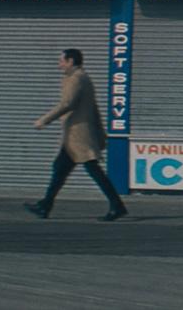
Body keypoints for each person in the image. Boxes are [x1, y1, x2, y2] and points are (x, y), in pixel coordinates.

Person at [26, 49, 127, 222]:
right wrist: (100, 132)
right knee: (60, 169)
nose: (59, 65)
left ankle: (117, 206)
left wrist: (44, 120)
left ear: (71, 61)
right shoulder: (82, 77)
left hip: (78, 134)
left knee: (93, 170)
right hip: (75, 135)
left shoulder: (76, 79)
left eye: (62, 61)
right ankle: (45, 205)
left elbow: (68, 103)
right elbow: (93, 108)